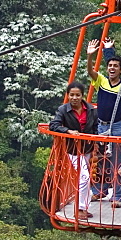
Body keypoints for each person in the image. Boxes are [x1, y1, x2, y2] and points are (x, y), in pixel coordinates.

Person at [86, 38, 121, 208]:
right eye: (110, 66)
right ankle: (100, 190)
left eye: (116, 66)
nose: (112, 68)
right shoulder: (102, 81)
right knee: (101, 159)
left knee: (119, 161)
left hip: (116, 127)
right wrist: (90, 57)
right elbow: (91, 72)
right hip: (102, 125)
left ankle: (119, 195)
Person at [49, 82, 97, 221]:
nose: (74, 98)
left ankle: (84, 207)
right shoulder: (63, 110)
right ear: (67, 95)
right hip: (73, 149)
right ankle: (80, 208)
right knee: (84, 177)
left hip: (87, 147)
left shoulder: (91, 109)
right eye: (72, 95)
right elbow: (54, 125)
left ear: (82, 96)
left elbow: (95, 126)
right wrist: (68, 131)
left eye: (77, 95)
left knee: (86, 176)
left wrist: (95, 141)